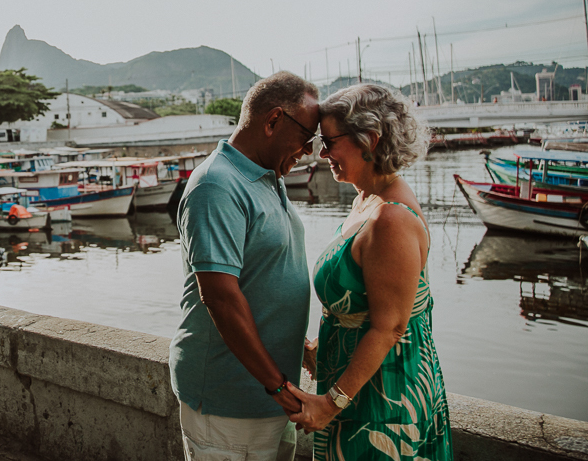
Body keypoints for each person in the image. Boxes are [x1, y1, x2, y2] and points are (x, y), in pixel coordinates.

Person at [286, 84, 453, 461]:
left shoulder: (390, 219)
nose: (322, 153)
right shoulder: (367, 199)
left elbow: (389, 327)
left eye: (329, 142)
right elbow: (365, 301)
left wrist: (329, 404)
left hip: (383, 404)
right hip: (359, 391)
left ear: (370, 139)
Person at [169, 71, 320, 461]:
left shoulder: (269, 176)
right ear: (273, 121)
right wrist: (278, 388)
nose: (309, 151)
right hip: (230, 401)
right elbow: (220, 298)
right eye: (307, 137)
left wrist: (297, 344)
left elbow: (262, 273)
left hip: (270, 392)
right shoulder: (216, 185)